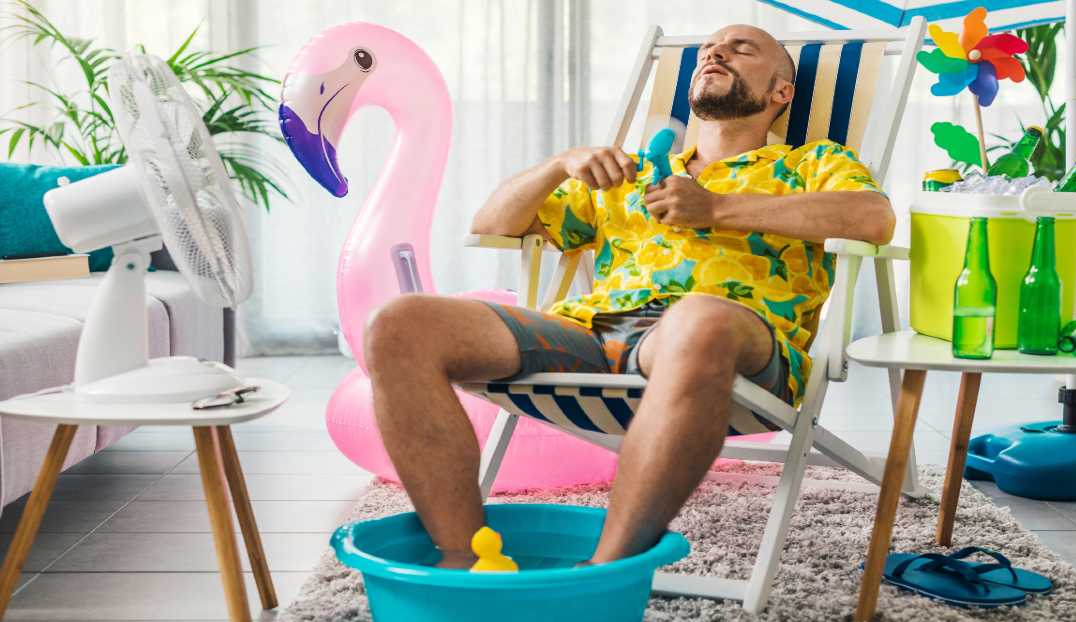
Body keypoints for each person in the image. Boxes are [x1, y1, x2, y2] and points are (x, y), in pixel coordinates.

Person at [364, 23, 895, 568]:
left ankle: (603, 572)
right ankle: (464, 557)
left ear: (782, 92)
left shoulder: (809, 164)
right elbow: (492, 222)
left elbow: (873, 219)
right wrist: (557, 166)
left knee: (697, 321)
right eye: (709, 48)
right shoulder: (630, 172)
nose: (714, 52)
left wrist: (715, 208)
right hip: (599, 333)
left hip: (729, 339)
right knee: (400, 324)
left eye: (742, 49)